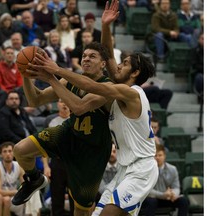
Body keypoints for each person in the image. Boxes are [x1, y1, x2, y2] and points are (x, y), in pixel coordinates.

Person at [26, 1, 158, 215]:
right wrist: (105, 26)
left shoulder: (132, 93)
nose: (118, 65)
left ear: (134, 73)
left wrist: (57, 70)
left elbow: (90, 85)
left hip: (140, 168)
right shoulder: (121, 86)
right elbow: (108, 57)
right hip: (126, 169)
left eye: (124, 64)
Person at [11, 3, 118, 216]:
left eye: (92, 57)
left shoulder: (108, 86)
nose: (86, 59)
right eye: (84, 55)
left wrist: (52, 76)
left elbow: (78, 107)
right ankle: (34, 179)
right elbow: (35, 100)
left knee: (81, 210)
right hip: (69, 134)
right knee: (20, 150)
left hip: (93, 150)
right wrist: (25, 73)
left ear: (103, 64)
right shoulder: (70, 79)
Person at [41, 99, 74, 216]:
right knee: (57, 198)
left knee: (74, 199)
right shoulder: (50, 120)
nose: (64, 103)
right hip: (57, 162)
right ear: (57, 104)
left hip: (73, 163)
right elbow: (45, 146)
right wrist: (46, 166)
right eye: (61, 101)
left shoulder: (77, 119)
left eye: (66, 101)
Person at [0, 142, 42, 216]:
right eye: (5, 151)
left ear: (14, 153)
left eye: (10, 151)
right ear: (1, 154)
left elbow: (25, 184)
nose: (8, 154)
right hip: (2, 198)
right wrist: (16, 192)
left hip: (14, 198)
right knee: (6, 200)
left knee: (34, 193)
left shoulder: (18, 165)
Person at [141, 144, 189, 216]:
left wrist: (173, 194)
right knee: (151, 201)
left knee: (184, 201)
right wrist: (162, 195)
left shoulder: (172, 169)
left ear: (164, 156)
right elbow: (147, 190)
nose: (157, 158)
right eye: (155, 156)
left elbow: (176, 187)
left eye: (160, 155)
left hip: (168, 198)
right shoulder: (146, 170)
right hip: (152, 198)